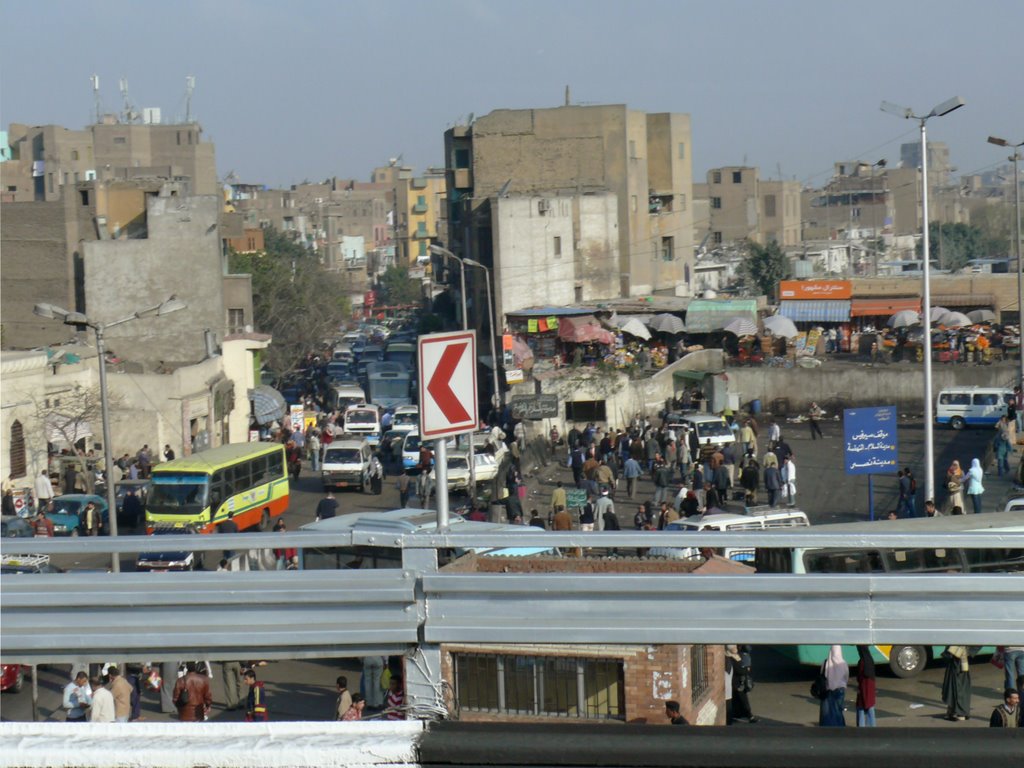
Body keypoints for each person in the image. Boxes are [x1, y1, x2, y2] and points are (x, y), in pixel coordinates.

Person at [726, 645, 757, 724]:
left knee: (738, 700)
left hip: (739, 683)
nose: (736, 649)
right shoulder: (731, 658)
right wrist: (746, 669)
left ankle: (739, 715)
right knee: (743, 701)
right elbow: (740, 670)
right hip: (737, 684)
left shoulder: (735, 656)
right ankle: (750, 716)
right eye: (733, 648)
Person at [818, 645, 848, 727]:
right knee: (838, 711)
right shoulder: (843, 663)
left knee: (827, 713)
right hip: (840, 690)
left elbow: (822, 675)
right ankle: (840, 729)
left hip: (828, 690)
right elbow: (846, 676)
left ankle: (827, 730)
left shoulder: (826, 662)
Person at [942, 645, 972, 721]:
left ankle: (958, 712)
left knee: (956, 687)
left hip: (958, 663)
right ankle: (955, 711)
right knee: (958, 687)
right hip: (960, 662)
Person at [855, 645, 877, 727]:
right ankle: (872, 726)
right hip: (870, 688)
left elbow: (860, 676)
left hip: (863, 688)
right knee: (870, 707)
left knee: (860, 708)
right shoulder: (870, 660)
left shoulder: (862, 662)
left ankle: (861, 727)